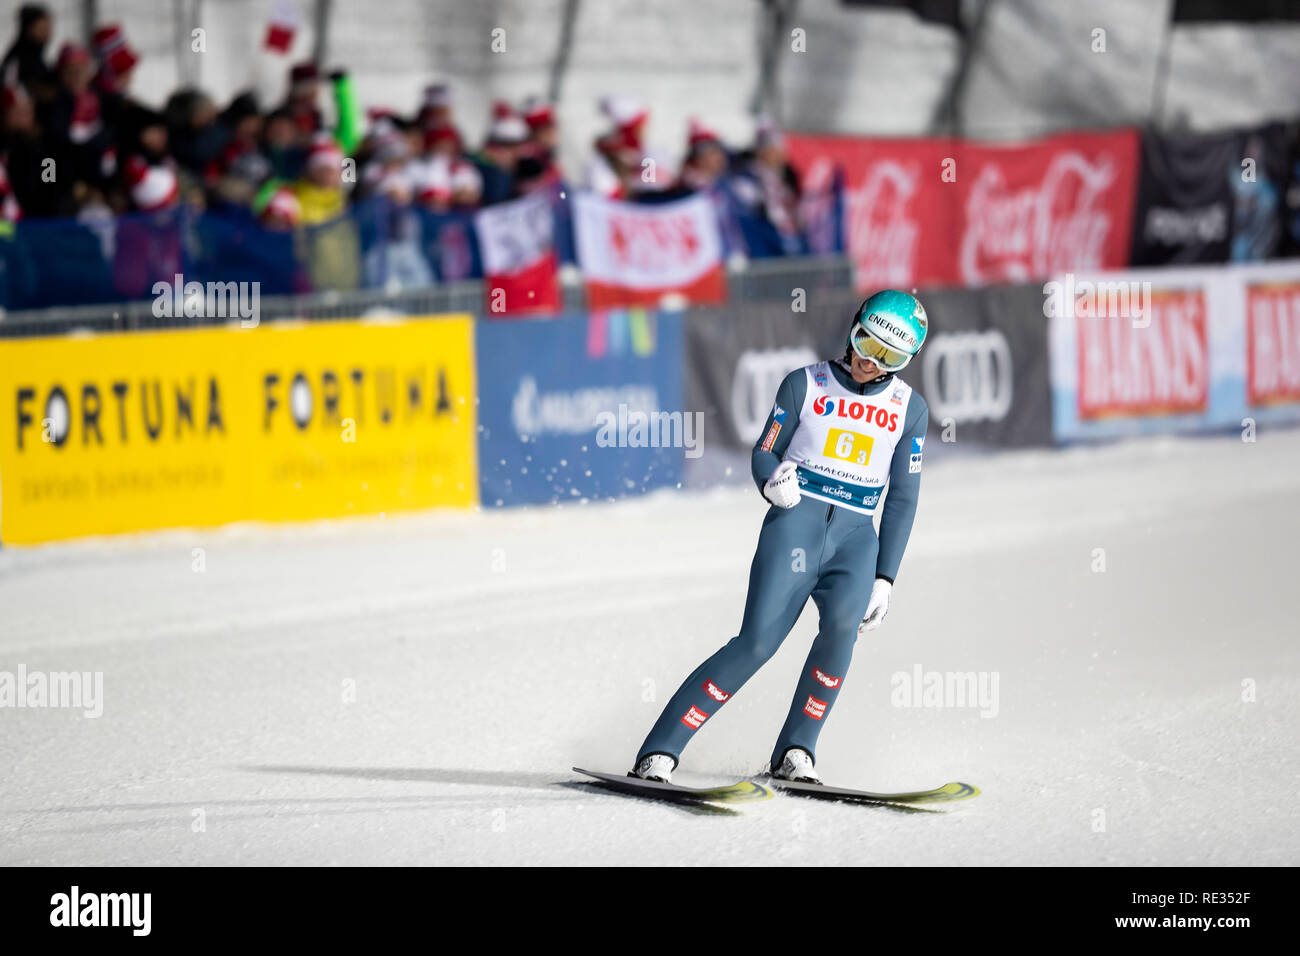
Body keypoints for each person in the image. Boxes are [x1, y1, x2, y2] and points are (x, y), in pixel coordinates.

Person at [631, 290, 931, 785]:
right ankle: (659, 753)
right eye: (864, 343)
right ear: (852, 327)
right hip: (796, 526)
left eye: (887, 358)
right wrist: (770, 481)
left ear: (905, 362)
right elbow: (765, 450)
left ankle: (796, 752)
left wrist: (886, 577)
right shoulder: (805, 384)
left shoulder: (908, 409)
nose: (867, 361)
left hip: (857, 541)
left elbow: (903, 497)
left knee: (839, 639)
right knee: (756, 643)